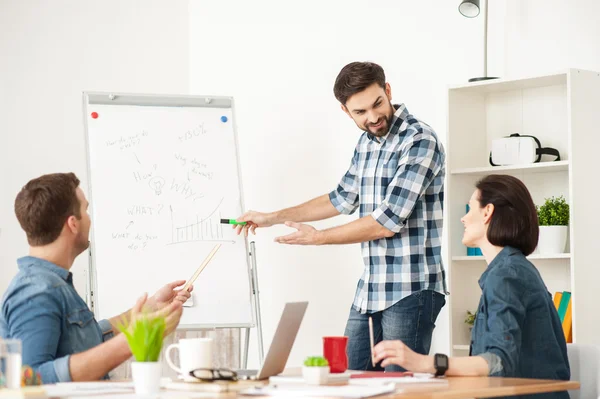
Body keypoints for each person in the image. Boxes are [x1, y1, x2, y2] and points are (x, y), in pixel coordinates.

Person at [235, 61, 447, 371]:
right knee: (347, 380)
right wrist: (273, 216)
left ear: (388, 91)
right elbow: (342, 198)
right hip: (372, 287)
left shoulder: (419, 140)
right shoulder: (367, 142)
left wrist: (318, 238)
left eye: (377, 104)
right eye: (360, 113)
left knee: (402, 389)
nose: (373, 117)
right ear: (346, 112)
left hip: (410, 288)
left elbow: (387, 221)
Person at [374, 174, 570, 398]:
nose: (463, 218)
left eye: (470, 208)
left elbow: (499, 361)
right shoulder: (513, 269)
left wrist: (425, 363)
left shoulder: (506, 275)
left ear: (487, 212)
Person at [0, 173, 192, 383]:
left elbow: (86, 341)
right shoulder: (36, 291)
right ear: (73, 224)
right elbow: (30, 379)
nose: (90, 219)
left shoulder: (51, 283)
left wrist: (151, 307)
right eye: (85, 210)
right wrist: (134, 340)